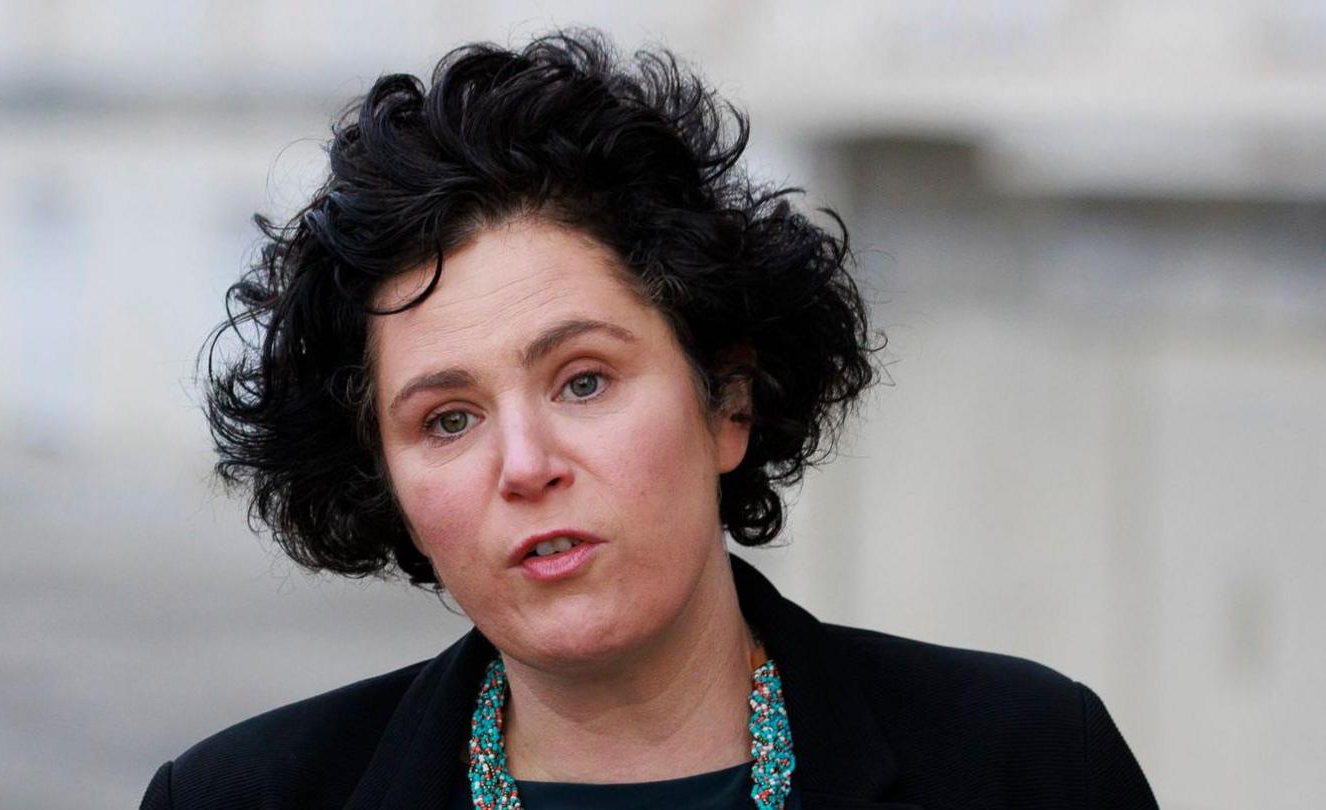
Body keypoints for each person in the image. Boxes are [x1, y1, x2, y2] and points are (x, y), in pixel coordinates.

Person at [141, 31, 1158, 810]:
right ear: (388, 486)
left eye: (582, 380)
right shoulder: (243, 798)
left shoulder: (1024, 762)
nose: (526, 465)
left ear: (729, 400)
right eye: (448, 420)